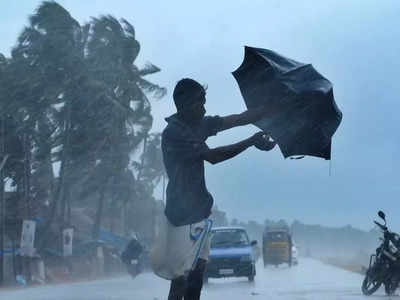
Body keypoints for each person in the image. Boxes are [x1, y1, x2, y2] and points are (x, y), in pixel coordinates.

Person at [161, 78, 277, 300]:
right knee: (181, 281)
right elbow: (213, 157)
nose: (204, 108)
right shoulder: (175, 133)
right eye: (200, 103)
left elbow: (237, 120)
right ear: (184, 104)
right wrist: (251, 142)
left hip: (199, 213)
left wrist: (271, 109)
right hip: (180, 217)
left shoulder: (196, 124)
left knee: (195, 280)